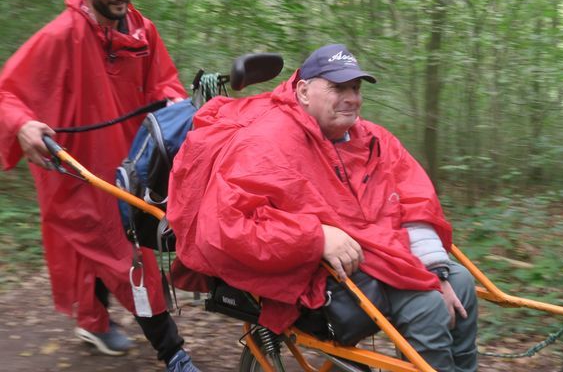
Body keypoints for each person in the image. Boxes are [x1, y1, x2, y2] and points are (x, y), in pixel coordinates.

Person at [168, 44, 478, 371]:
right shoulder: (267, 142)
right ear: (304, 91)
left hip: (377, 255)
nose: (351, 98)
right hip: (316, 277)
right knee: (427, 305)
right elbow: (227, 226)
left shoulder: (375, 139)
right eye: (337, 87)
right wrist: (315, 237)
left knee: (461, 285)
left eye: (355, 88)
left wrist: (434, 269)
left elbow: (415, 197)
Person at [0, 0, 200, 372]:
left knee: (120, 246)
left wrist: (173, 106)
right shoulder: (60, 35)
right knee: (123, 254)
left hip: (132, 163)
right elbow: (7, 92)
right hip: (74, 168)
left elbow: (164, 82)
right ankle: (173, 353)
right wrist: (22, 125)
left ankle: (93, 321)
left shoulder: (143, 29)